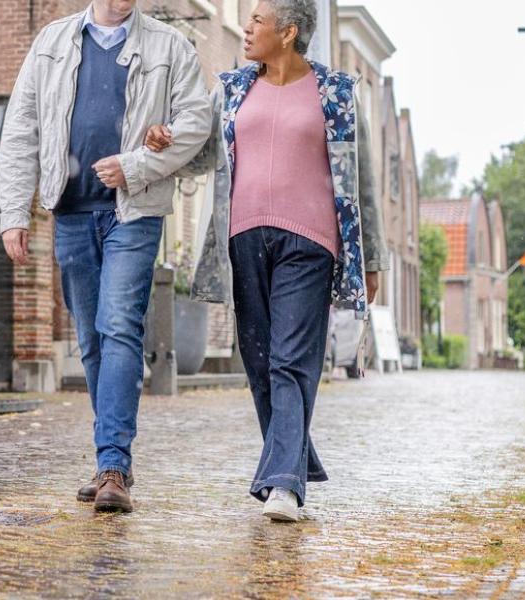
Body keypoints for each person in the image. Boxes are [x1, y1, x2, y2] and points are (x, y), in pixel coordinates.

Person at [163, 0, 385, 522]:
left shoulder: (337, 93)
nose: (246, 27)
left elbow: (362, 182)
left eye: (258, 20)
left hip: (310, 243)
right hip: (243, 239)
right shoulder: (234, 89)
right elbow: (202, 152)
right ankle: (292, 460)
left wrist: (370, 258)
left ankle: (284, 485)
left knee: (290, 359)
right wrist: (166, 137)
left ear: (287, 33)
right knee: (260, 360)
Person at [0, 0, 217, 513]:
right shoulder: (51, 42)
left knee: (119, 325)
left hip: (134, 211)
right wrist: (14, 211)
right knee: (91, 337)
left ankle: (113, 463)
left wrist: (137, 164)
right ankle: (108, 458)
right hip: (71, 211)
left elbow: (195, 121)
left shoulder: (169, 45)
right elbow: (22, 128)